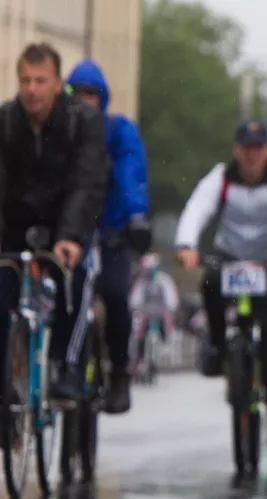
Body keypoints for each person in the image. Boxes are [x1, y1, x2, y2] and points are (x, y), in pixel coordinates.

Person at [174, 119, 267, 447]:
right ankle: (221, 349)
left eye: (258, 149)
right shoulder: (221, 178)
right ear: (236, 150)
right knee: (209, 284)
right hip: (231, 257)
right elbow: (197, 208)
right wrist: (186, 244)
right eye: (246, 149)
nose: (252, 156)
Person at [0, 43, 108, 401]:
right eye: (25, 80)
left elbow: (87, 182)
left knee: (73, 280)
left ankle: (68, 365)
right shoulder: (6, 121)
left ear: (58, 83)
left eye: (40, 81)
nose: (32, 89)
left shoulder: (83, 121)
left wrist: (71, 237)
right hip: (17, 225)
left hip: (67, 220)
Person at [65, 58, 151, 414]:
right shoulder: (62, 131)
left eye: (92, 95)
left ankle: (119, 372)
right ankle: (61, 366)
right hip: (72, 232)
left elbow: (132, 172)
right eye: (78, 94)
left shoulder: (118, 131)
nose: (85, 101)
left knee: (115, 296)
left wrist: (136, 216)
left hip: (113, 231)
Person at [128, 253, 179, 373]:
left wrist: (168, 310)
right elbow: (135, 300)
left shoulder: (164, 280)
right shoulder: (141, 282)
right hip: (145, 311)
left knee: (167, 320)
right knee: (138, 325)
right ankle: (138, 355)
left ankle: (165, 340)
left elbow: (172, 300)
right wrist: (138, 310)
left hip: (162, 311)